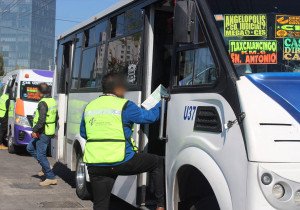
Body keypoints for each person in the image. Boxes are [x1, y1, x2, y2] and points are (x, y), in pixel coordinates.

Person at [80, 72, 165, 210]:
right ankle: (160, 205)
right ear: (119, 88)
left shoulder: (90, 106)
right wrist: (161, 102)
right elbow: (150, 117)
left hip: (94, 163)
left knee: (100, 204)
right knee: (157, 162)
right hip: (121, 160)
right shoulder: (125, 105)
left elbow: (84, 133)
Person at [26, 83, 58, 186]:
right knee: (30, 147)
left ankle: (50, 177)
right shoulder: (52, 101)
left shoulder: (43, 103)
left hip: (43, 132)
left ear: (40, 92)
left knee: (40, 155)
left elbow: (41, 120)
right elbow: (56, 117)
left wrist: (35, 131)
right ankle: (46, 167)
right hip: (48, 130)